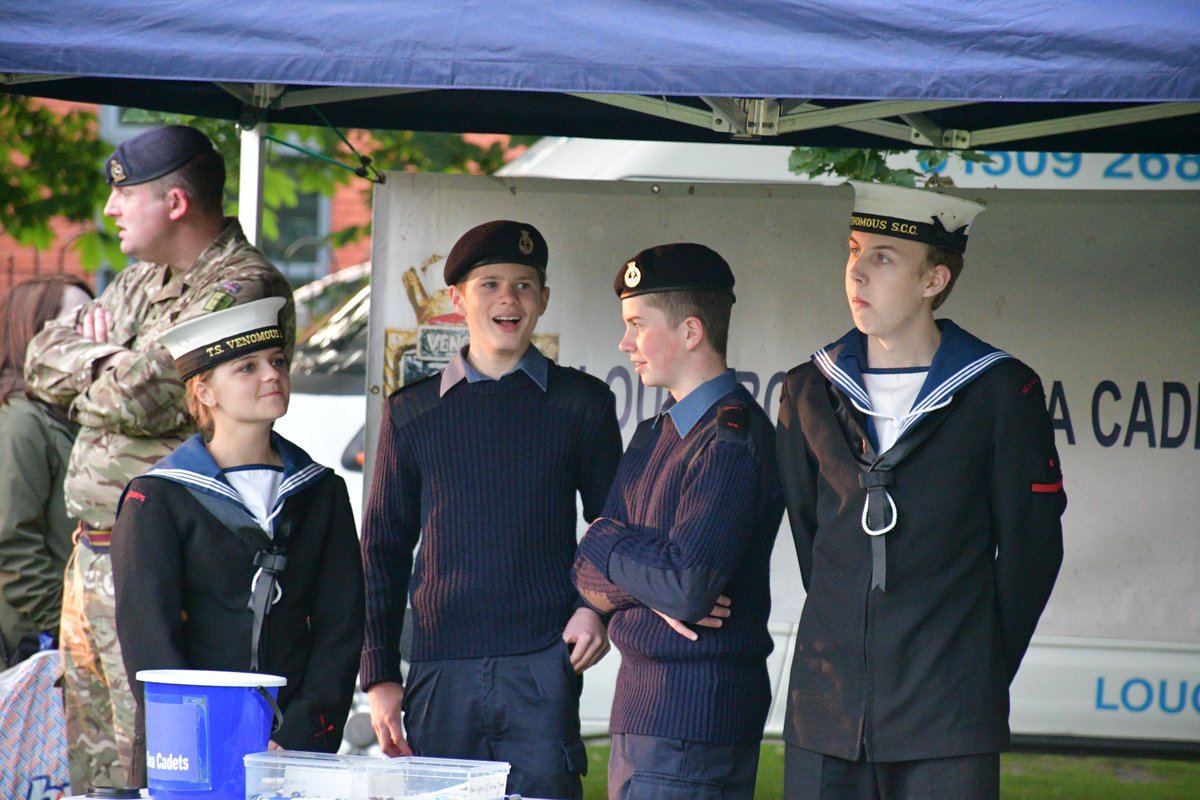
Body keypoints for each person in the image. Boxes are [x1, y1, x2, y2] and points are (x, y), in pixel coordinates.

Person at [23, 125, 294, 792]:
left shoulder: (240, 287)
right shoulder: (146, 279)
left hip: (164, 565)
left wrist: (101, 365)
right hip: (92, 557)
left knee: (159, 760)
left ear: (174, 202)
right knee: (95, 766)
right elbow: (36, 359)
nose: (110, 211)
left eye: (125, 195)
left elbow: (144, 397)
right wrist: (108, 361)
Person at [775, 182, 1066, 799]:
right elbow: (814, 540)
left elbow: (1031, 552)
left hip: (948, 717)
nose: (857, 271)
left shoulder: (1000, 391)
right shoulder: (807, 389)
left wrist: (976, 670)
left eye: (883, 257)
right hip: (826, 709)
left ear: (934, 280)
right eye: (853, 251)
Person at [360, 220, 623, 800]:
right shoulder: (412, 413)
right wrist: (379, 674)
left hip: (542, 660)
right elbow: (381, 550)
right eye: (490, 284)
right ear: (457, 299)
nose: (509, 298)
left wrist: (596, 610)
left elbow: (613, 527)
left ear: (544, 299)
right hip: (439, 664)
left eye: (525, 285)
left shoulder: (583, 405)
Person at [110, 297, 363, 784]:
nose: (272, 375)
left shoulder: (320, 491)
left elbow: (341, 628)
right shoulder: (159, 497)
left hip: (291, 749)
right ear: (205, 392)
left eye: (278, 362)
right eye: (247, 367)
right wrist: (205, 735)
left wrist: (300, 734)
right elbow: (149, 640)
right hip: (192, 749)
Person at [571, 243, 783, 800]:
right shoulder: (653, 434)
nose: (625, 343)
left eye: (638, 324)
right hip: (648, 710)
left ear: (691, 332)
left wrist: (602, 538)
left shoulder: (731, 439)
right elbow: (586, 577)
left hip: (693, 719)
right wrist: (645, 579)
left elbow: (687, 586)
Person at [0, 275, 94, 669]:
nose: (95, 329)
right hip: (35, 650)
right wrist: (71, 627)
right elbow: (11, 545)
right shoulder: (21, 421)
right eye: (78, 319)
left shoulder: (72, 415)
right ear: (34, 333)